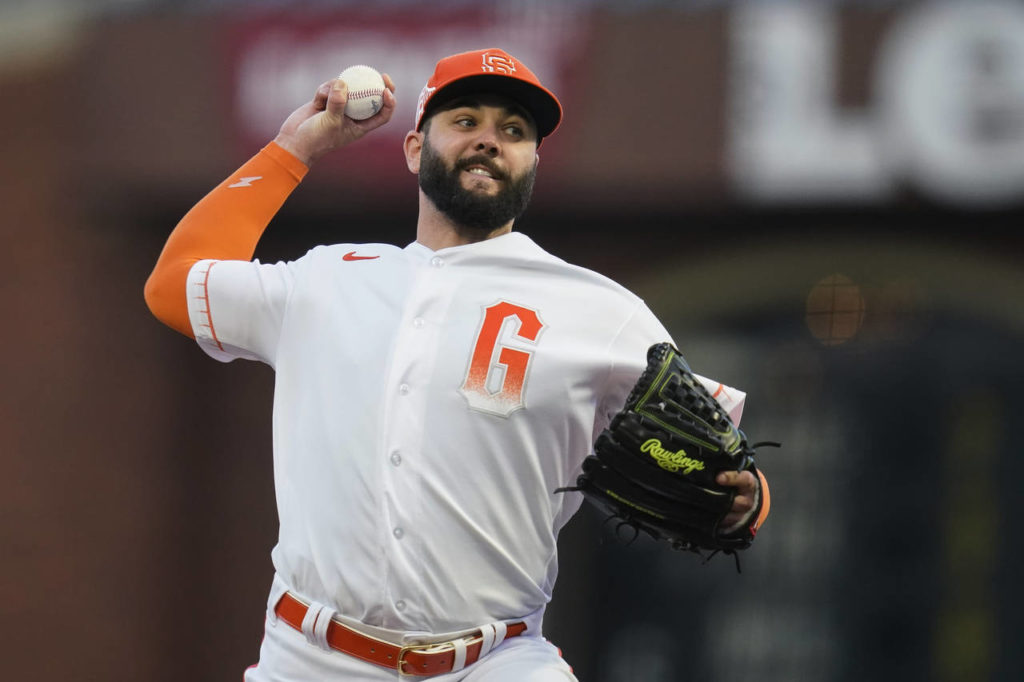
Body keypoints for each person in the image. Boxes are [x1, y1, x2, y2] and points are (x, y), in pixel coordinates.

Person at [144, 48, 769, 681]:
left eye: (514, 130)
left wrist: (747, 501)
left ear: (532, 164)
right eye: (465, 120)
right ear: (415, 149)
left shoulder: (600, 310)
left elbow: (723, 457)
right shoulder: (326, 280)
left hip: (497, 660)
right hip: (309, 658)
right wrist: (292, 150)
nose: (490, 140)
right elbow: (174, 284)